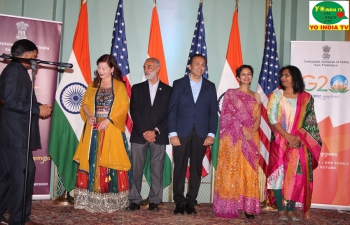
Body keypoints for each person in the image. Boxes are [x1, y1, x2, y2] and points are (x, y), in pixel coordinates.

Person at [0, 39, 52, 225]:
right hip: (15, 135)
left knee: (6, 176)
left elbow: (16, 100)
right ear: (28, 54)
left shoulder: (16, 70)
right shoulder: (15, 70)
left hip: (12, 135)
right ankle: (19, 220)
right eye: (35, 56)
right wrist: (38, 110)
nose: (36, 60)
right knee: (23, 176)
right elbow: (11, 101)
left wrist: (39, 106)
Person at [73, 54, 131, 213]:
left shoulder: (119, 86)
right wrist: (90, 116)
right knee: (92, 160)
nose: (101, 71)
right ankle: (90, 199)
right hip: (94, 131)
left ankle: (112, 201)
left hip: (111, 130)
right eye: (99, 68)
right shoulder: (92, 85)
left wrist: (109, 120)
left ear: (112, 69)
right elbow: (85, 104)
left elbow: (123, 107)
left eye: (104, 68)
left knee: (110, 162)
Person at [266, 65, 322, 221]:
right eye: (282, 75)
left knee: (295, 176)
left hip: (299, 143)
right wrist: (287, 136)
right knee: (278, 176)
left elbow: (310, 123)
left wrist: (297, 139)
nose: (283, 78)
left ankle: (291, 209)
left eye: (287, 75)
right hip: (279, 141)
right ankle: (281, 210)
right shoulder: (276, 95)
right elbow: (272, 118)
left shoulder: (306, 98)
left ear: (295, 77)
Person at [167, 54, 218, 215]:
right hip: (181, 133)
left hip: (202, 134)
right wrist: (173, 133)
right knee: (180, 168)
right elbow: (172, 110)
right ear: (189, 66)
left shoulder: (210, 86)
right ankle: (179, 202)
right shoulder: (179, 84)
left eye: (203, 64)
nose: (200, 67)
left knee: (196, 168)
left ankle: (191, 202)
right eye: (197, 64)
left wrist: (211, 134)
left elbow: (212, 112)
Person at [213, 65, 261, 219]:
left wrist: (252, 132)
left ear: (252, 77)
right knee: (232, 170)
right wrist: (242, 129)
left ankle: (248, 207)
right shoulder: (231, 94)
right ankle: (228, 205)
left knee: (248, 171)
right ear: (238, 77)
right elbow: (226, 116)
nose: (246, 77)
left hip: (251, 138)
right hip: (233, 139)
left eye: (249, 74)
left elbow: (258, 117)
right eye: (243, 74)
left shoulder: (256, 96)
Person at [126, 58, 172, 212]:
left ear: (158, 68)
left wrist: (155, 131)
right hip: (140, 135)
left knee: (157, 170)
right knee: (136, 169)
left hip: (159, 135)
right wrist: (145, 132)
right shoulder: (137, 88)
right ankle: (134, 200)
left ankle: (154, 201)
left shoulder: (168, 90)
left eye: (150, 66)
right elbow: (135, 112)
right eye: (145, 66)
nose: (146, 69)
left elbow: (169, 115)